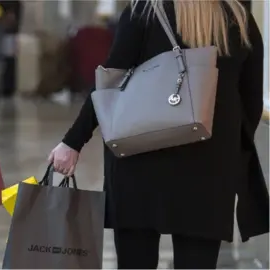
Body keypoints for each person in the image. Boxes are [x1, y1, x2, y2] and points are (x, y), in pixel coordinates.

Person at [49, 0, 269, 269]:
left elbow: (110, 83)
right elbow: (251, 101)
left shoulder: (144, 11)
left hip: (138, 158)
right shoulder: (236, 17)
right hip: (208, 169)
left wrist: (72, 142)